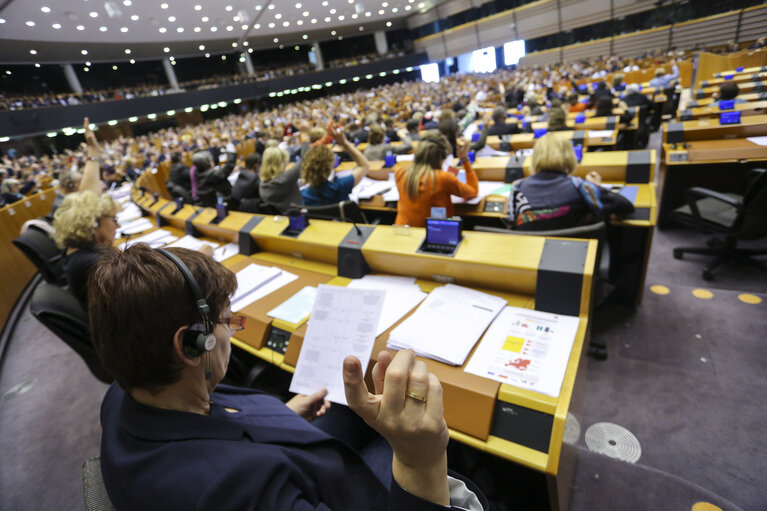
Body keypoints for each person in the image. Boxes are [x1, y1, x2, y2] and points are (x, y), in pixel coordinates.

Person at [90, 245, 486, 510]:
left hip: (290, 455)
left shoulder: (125, 393)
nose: (232, 331)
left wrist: (282, 416)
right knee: (449, 477)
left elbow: (211, 423)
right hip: (343, 494)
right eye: (227, 321)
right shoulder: (235, 491)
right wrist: (420, 462)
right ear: (190, 345)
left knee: (353, 413)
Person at [506, 133, 634, 230]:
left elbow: (511, 225)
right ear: (569, 157)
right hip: (577, 257)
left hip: (532, 258)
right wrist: (595, 186)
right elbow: (626, 207)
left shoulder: (517, 188)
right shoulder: (582, 187)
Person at [394, 132, 478, 227]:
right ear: (441, 157)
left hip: (404, 233)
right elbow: (473, 191)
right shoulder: (443, 178)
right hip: (435, 234)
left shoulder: (400, 173)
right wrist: (464, 158)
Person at [301, 127, 369, 206]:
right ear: (330, 166)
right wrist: (344, 143)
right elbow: (364, 165)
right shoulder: (340, 186)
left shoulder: (303, 195)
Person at [258, 146, 302, 213]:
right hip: (294, 216)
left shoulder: (263, 181)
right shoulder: (282, 180)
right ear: (279, 164)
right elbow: (304, 159)